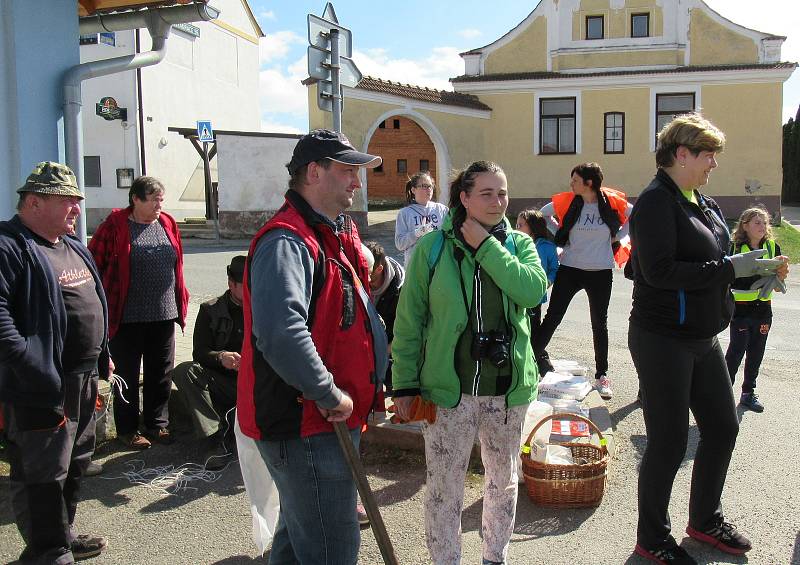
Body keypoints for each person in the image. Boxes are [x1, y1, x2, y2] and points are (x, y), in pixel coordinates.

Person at [627, 113, 786, 564]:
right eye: (707, 154)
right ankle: (653, 538)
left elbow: (717, 258)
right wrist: (728, 269)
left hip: (703, 336)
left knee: (722, 427)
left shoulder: (704, 201)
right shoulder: (657, 202)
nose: (714, 163)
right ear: (682, 154)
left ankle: (705, 520)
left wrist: (755, 267)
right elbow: (657, 272)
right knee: (670, 441)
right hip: (662, 338)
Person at [237, 129, 388, 564]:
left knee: (299, 535)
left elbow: (357, 281)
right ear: (314, 172)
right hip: (306, 422)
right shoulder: (287, 241)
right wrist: (327, 391)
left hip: (324, 419)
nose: (357, 182)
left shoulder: (330, 232)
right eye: (347, 171)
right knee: (331, 548)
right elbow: (281, 333)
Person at [392, 161, 547, 565]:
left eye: (503, 193)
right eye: (487, 193)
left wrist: (487, 245)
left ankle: (495, 557)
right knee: (444, 488)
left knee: (503, 482)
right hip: (448, 391)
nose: (498, 202)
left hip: (507, 390)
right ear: (463, 197)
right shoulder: (431, 247)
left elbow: (531, 291)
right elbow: (409, 323)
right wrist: (404, 384)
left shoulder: (519, 244)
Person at [0, 162, 110, 563]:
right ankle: (46, 552)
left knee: (75, 465)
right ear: (34, 202)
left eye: (78, 202)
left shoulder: (73, 247)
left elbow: (95, 303)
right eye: (68, 202)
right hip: (40, 388)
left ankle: (61, 535)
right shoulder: (9, 246)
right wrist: (35, 369)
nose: (77, 210)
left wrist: (104, 356)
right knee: (41, 474)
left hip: (81, 381)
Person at [89, 176, 189, 450]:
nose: (159, 204)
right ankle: (128, 429)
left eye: (161, 199)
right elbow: (93, 264)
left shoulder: (167, 222)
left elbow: (177, 264)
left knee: (161, 372)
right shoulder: (114, 226)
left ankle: (158, 424)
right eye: (153, 199)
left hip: (164, 312)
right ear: (135, 199)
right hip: (127, 316)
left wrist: (181, 300)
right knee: (127, 375)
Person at [532, 163, 632, 399]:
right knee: (553, 316)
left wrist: (619, 235)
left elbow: (634, 214)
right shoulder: (570, 200)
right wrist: (559, 229)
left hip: (600, 271)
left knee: (600, 323)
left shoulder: (610, 201)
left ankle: (602, 375)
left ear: (589, 183)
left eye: (575, 180)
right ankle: (531, 358)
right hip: (570, 268)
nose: (571, 184)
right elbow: (543, 214)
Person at [172, 255, 245, 468]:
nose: (253, 291)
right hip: (225, 382)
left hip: (259, 383)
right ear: (231, 284)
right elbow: (200, 354)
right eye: (246, 286)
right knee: (185, 371)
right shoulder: (210, 310)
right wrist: (221, 357)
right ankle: (216, 438)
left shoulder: (265, 308)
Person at [725, 207, 789, 413]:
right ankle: (722, 395)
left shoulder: (772, 247)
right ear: (745, 225)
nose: (762, 226)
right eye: (757, 222)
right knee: (736, 352)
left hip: (763, 309)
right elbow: (724, 275)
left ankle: (748, 393)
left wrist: (780, 276)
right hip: (740, 309)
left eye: (764, 222)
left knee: (756, 352)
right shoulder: (734, 248)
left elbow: (780, 274)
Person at [364, 240, 405, 393]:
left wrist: (382, 353)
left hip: (391, 356)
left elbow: (405, 332)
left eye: (371, 277)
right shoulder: (359, 277)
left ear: (380, 269)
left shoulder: (402, 292)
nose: (366, 281)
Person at [515, 208, 559, 348]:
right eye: (516, 225)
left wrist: (548, 281)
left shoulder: (547, 247)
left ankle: (535, 357)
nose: (517, 228)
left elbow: (554, 269)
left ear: (533, 227)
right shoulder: (514, 244)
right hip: (516, 293)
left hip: (535, 296)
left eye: (521, 225)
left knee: (533, 328)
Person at [395, 171, 449, 266]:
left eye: (430, 186)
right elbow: (400, 244)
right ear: (413, 190)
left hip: (439, 265)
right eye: (424, 186)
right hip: (416, 266)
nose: (428, 189)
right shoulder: (405, 213)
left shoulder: (442, 209)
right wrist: (417, 233)